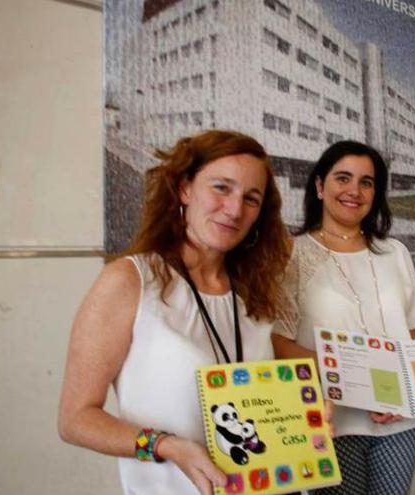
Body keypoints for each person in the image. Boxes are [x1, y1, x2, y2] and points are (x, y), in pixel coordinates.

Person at [58, 130, 292, 495]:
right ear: (184, 189)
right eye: (221, 187)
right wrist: (166, 446)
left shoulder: (253, 293)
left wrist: (297, 419)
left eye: (251, 198)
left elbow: (260, 406)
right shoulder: (130, 280)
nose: (234, 209)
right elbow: (75, 419)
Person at [272, 141, 415, 495]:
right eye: (343, 178)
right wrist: (353, 378)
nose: (354, 190)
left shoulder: (395, 252)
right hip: (333, 420)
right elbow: (277, 340)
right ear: (320, 186)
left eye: (367, 182)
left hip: (400, 419)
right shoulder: (294, 253)